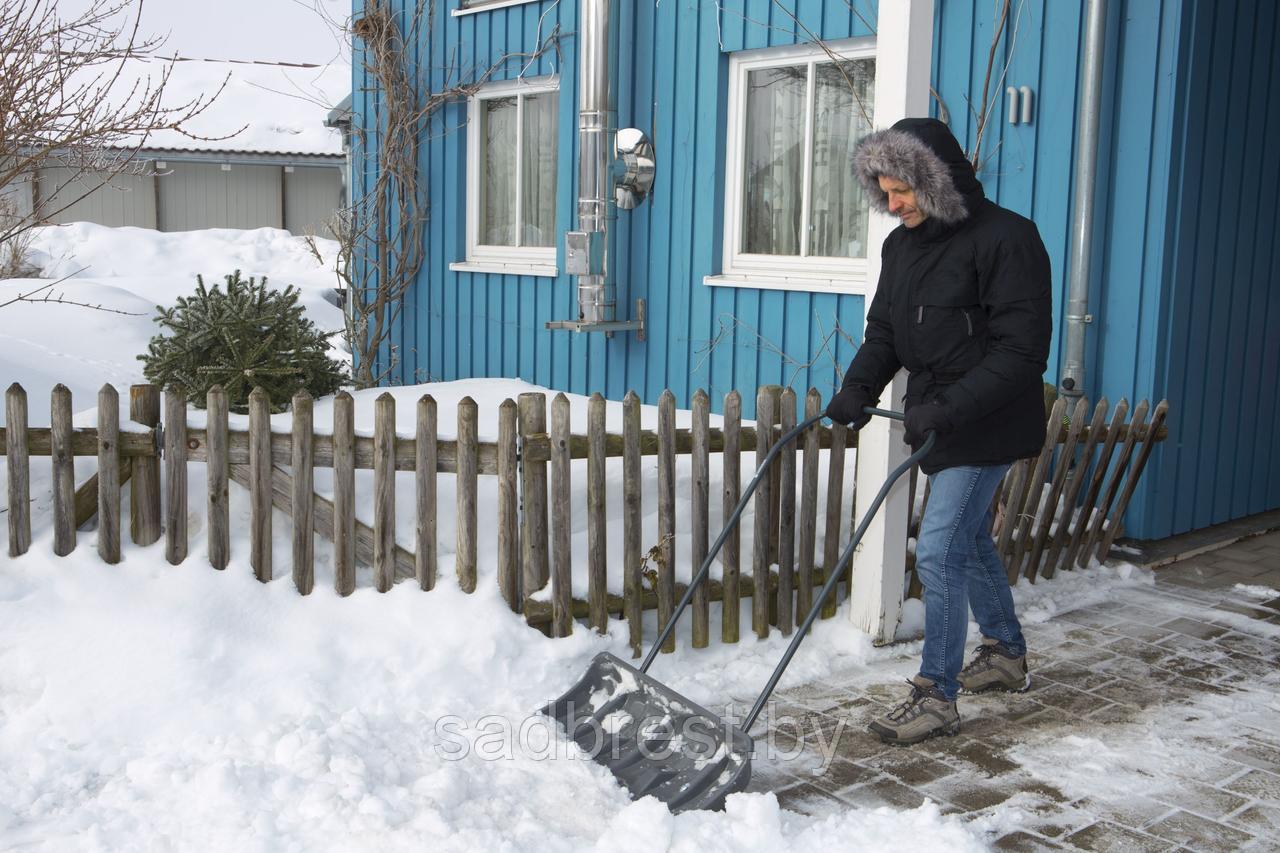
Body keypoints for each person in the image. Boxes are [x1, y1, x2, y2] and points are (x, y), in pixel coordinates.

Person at [825, 117, 1053, 745]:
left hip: (990, 420)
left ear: (935, 181)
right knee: (968, 537)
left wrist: (949, 406)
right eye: (883, 190)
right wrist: (858, 388)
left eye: (901, 190)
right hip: (940, 416)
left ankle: (936, 696)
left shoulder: (1008, 238)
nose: (891, 204)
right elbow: (886, 334)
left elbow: (1020, 352)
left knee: (938, 549)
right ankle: (1005, 651)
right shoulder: (901, 246)